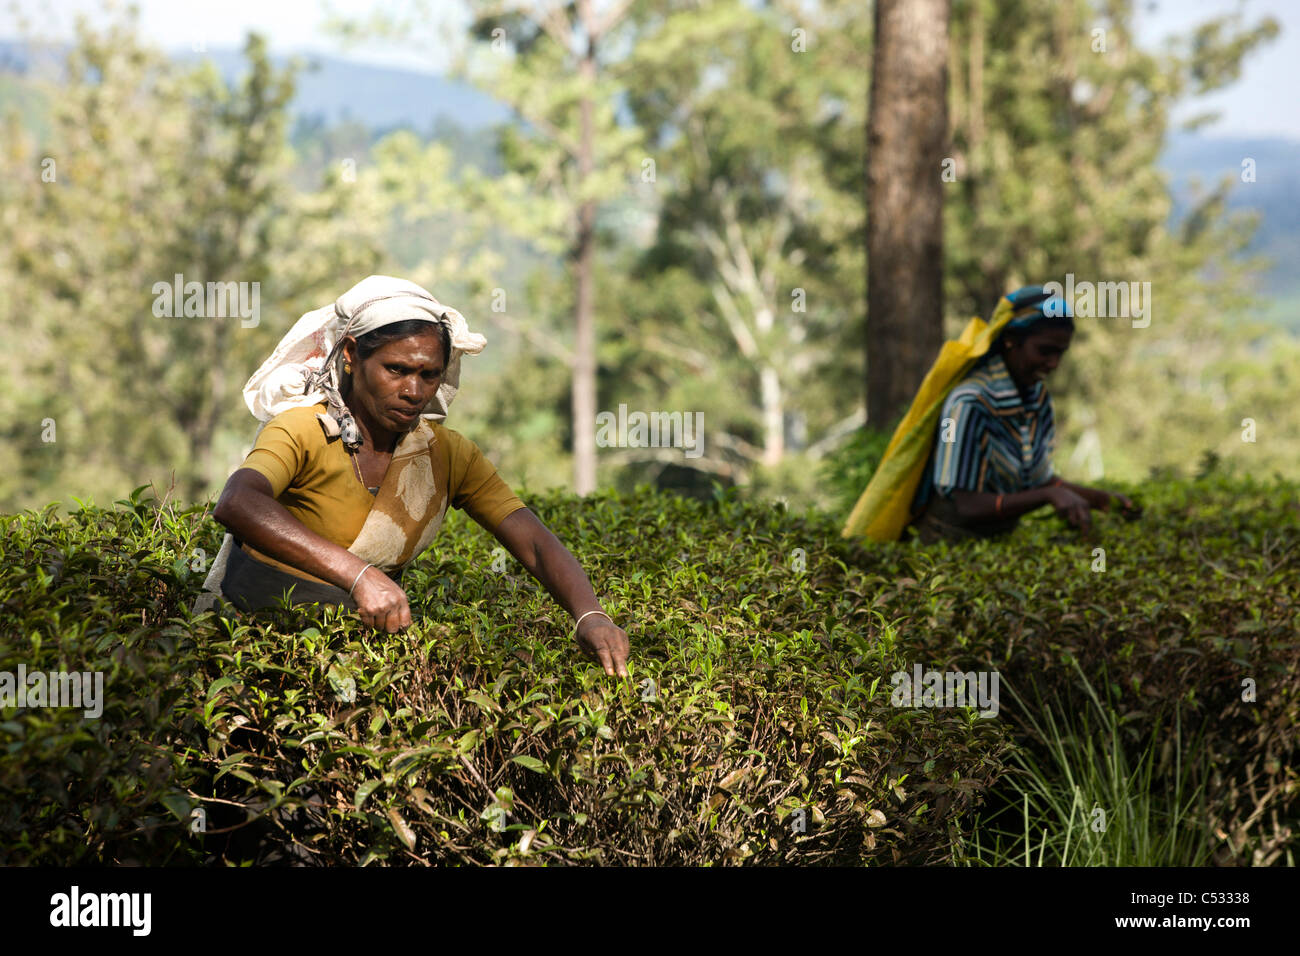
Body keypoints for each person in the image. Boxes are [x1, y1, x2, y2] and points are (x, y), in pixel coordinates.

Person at [195, 275, 630, 677]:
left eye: (429, 374)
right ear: (350, 355)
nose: (414, 391)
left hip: (362, 661)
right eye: (396, 370)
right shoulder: (303, 429)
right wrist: (359, 575)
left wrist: (590, 615)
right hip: (251, 651)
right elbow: (238, 502)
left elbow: (531, 539)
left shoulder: (445, 453)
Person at [907, 285, 1140, 543]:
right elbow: (966, 504)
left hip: (998, 542)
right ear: (1010, 341)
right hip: (947, 544)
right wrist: (1047, 496)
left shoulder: (1036, 399)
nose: (1053, 364)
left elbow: (1040, 480)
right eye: (1044, 351)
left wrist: (1101, 500)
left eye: (1060, 353)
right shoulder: (967, 404)